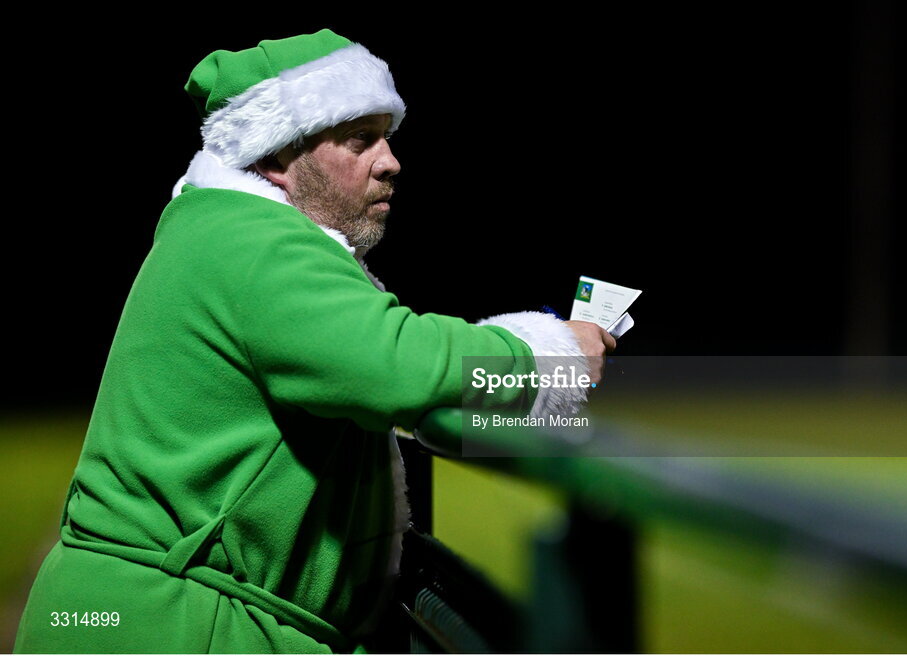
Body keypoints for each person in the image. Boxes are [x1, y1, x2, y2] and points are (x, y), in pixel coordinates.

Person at [13, 28, 613, 654]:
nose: (390, 160)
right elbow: (397, 365)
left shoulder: (217, 228)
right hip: (166, 626)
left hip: (136, 618)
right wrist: (554, 354)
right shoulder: (254, 243)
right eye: (359, 139)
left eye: (387, 137)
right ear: (274, 156)